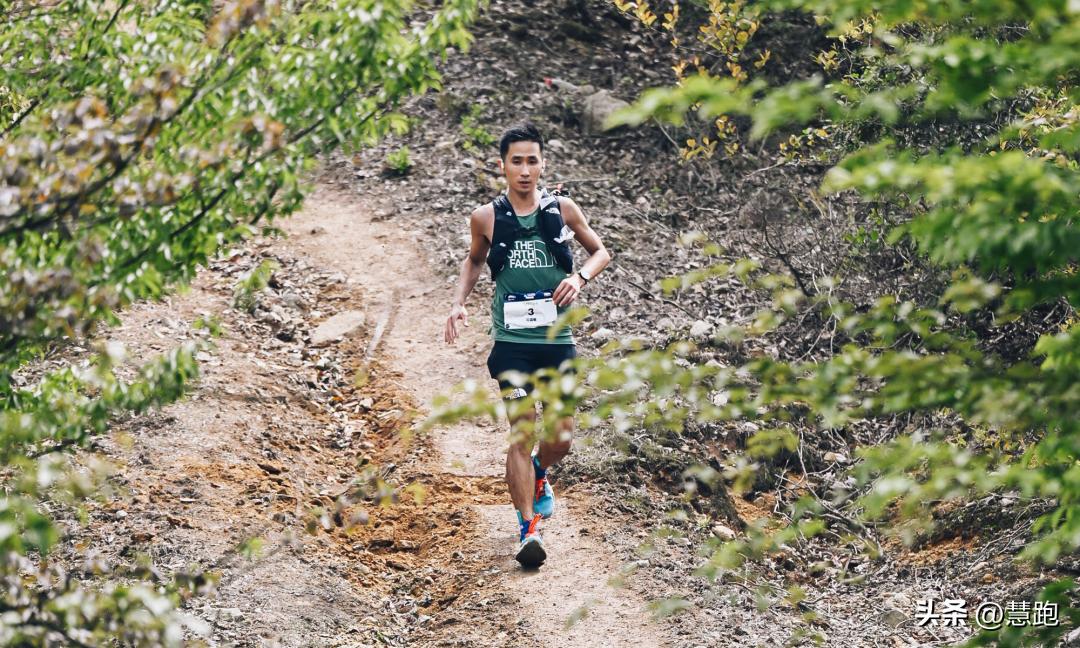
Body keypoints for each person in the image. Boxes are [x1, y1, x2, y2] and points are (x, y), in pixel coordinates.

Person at [443, 122, 611, 568]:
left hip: (557, 340)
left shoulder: (562, 209)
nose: (524, 169)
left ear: (542, 165)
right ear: (502, 166)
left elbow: (600, 251)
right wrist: (458, 304)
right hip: (512, 341)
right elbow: (474, 260)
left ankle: (538, 470)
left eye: (531, 161)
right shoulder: (486, 217)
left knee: (560, 437)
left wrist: (579, 278)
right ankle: (527, 529)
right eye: (515, 161)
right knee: (521, 431)